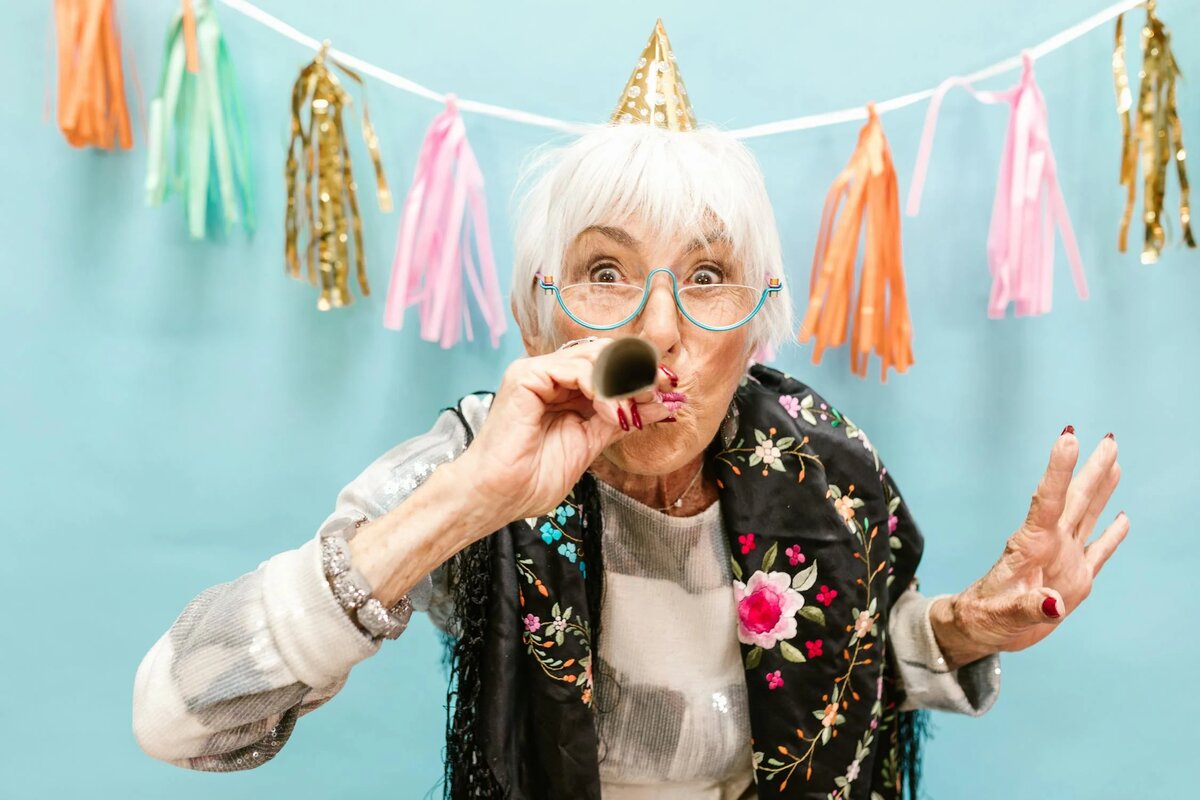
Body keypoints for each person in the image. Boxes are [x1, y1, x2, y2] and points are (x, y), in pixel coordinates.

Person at [132, 23, 1128, 800]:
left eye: (708, 274)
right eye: (606, 272)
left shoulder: (822, 467)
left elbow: (853, 675)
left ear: (757, 326)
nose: (659, 332)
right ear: (540, 316)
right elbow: (177, 717)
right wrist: (468, 500)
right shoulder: (476, 459)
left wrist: (968, 623)